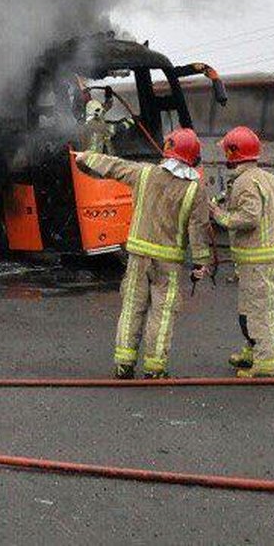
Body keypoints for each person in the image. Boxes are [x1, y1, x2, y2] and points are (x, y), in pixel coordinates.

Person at [76, 128, 211, 379]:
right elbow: (199, 230)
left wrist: (85, 157)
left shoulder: (145, 174)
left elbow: (115, 166)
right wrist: (200, 264)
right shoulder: (194, 190)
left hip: (137, 258)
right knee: (162, 313)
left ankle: (124, 364)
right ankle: (155, 368)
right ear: (193, 157)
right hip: (168, 264)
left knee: (132, 308)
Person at [210, 126, 274, 378]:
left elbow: (249, 217)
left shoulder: (244, 182)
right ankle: (253, 349)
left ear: (234, 153)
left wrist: (220, 215)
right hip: (267, 256)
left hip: (257, 259)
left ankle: (268, 361)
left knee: (257, 312)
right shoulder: (266, 177)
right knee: (250, 309)